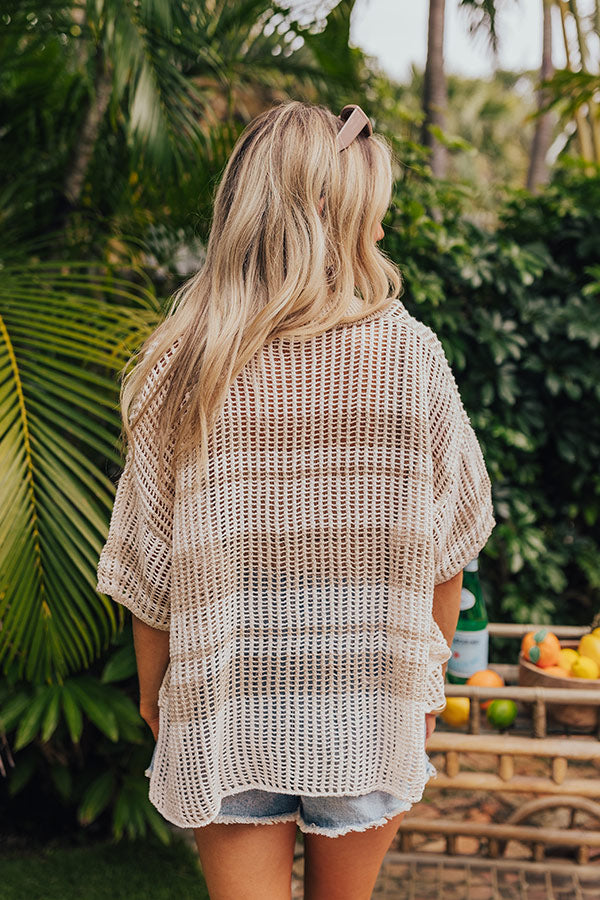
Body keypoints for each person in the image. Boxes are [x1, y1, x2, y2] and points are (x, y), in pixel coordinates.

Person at [96, 100, 496, 900]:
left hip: (226, 704)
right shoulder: (410, 355)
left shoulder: (183, 364)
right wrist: (428, 681)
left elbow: (148, 566)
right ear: (331, 214)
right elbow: (451, 549)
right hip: (367, 705)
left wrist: (156, 692)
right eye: (372, 216)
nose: (379, 234)